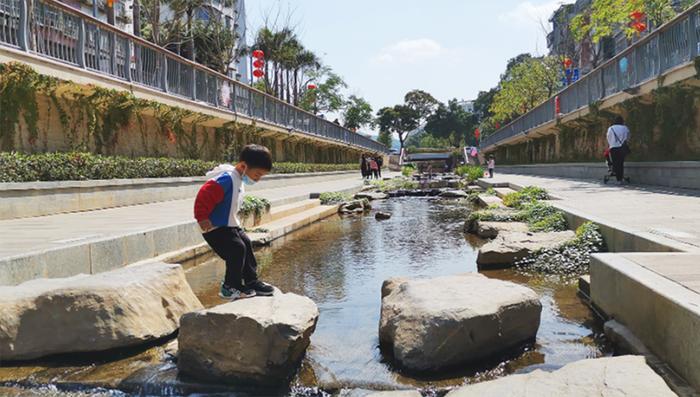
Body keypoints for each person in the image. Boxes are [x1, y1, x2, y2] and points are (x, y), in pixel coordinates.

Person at [194, 144, 275, 300]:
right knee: (236, 249)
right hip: (214, 226)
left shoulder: (238, 178)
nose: (257, 179)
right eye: (257, 175)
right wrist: (202, 217)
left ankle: (251, 281)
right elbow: (204, 195)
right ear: (244, 166)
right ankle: (230, 286)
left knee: (245, 243)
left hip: (229, 225)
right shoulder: (227, 179)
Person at [607, 115, 630, 185]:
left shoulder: (610, 128)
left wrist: (611, 144)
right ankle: (620, 178)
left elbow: (608, 137)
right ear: (622, 121)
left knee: (615, 162)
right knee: (620, 163)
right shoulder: (625, 128)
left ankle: (618, 178)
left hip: (613, 148)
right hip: (621, 147)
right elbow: (628, 137)